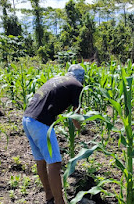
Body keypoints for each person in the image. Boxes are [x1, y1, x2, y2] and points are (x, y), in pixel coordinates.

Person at [22, 64, 85, 204]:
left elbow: (53, 103)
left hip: (27, 119)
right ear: (82, 78)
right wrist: (81, 130)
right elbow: (76, 116)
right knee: (55, 162)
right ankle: (59, 201)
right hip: (40, 123)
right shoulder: (77, 86)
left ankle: (49, 196)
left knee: (41, 160)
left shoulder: (58, 80)